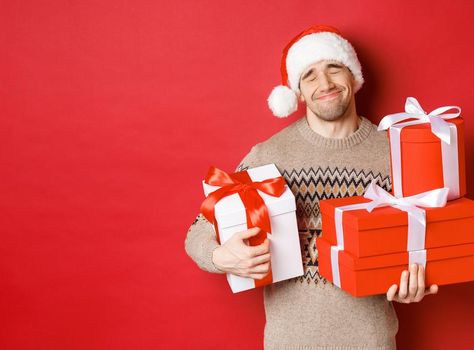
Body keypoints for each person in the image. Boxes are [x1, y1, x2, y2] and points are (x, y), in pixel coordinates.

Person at [185, 24, 437, 350]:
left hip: (370, 342)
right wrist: (222, 256)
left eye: (334, 68)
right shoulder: (268, 156)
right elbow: (197, 233)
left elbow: (423, 243)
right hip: (288, 343)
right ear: (298, 93)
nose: (325, 83)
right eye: (310, 75)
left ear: (354, 77)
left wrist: (414, 281)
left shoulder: (395, 153)